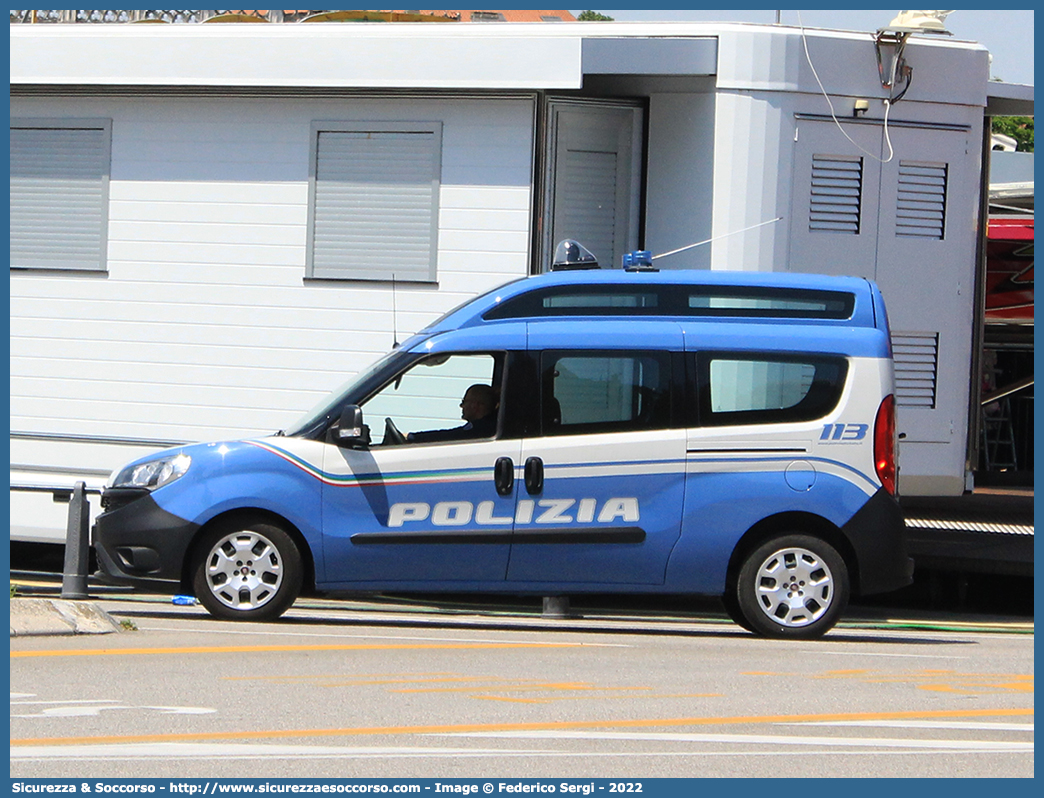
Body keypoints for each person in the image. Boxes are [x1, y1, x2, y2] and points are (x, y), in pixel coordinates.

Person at [406, 384, 499, 443]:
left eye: (464, 401)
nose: (461, 405)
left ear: (475, 405)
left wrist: (413, 437)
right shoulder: (486, 425)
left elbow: (450, 436)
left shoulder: (481, 429)